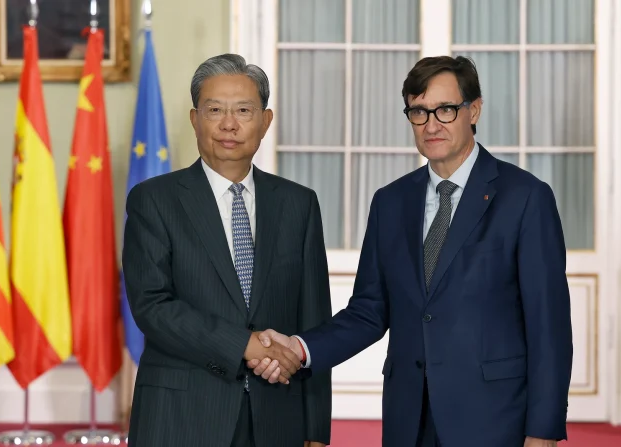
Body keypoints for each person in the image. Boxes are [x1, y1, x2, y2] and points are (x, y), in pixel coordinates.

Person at [248, 55, 573, 447]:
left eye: (445, 109)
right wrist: (299, 349)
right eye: (418, 112)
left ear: (474, 110)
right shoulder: (390, 202)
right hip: (409, 417)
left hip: (494, 418)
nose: (431, 125)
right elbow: (369, 311)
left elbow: (549, 325)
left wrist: (543, 429)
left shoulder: (525, 197)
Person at [122, 53, 332, 447]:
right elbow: (152, 306)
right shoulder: (154, 200)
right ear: (195, 119)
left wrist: (316, 428)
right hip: (180, 417)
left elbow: (314, 319)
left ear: (265, 121)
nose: (229, 124)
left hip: (278, 415)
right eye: (215, 109)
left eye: (243, 110)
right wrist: (244, 345)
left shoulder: (298, 204)